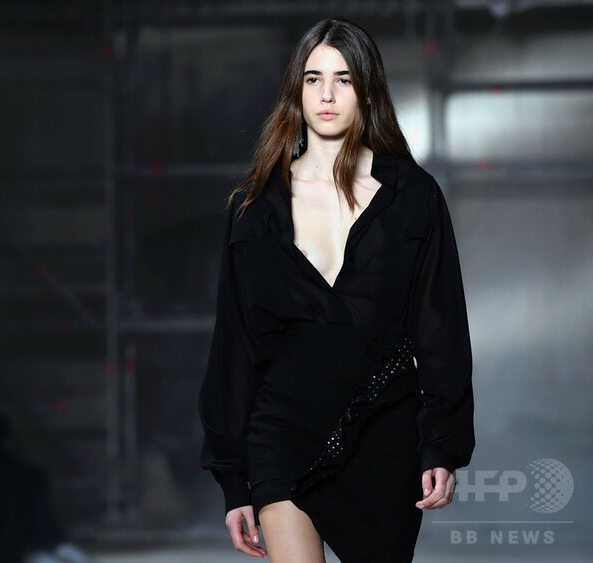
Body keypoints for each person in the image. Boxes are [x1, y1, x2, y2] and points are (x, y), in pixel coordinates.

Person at [198, 17, 474, 563]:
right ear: (295, 91)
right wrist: (233, 478)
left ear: (366, 91)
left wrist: (440, 442)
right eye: (313, 79)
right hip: (283, 428)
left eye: (343, 79)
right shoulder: (255, 207)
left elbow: (439, 327)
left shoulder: (412, 198)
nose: (326, 95)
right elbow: (235, 343)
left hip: (384, 432)